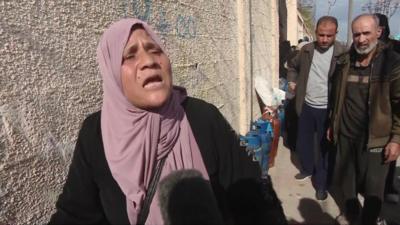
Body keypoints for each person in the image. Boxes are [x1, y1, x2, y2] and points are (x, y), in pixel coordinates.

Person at [48, 18, 263, 224]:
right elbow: (75, 215)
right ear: (112, 73)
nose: (149, 61)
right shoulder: (96, 135)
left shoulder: (203, 118)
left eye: (155, 50)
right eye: (130, 56)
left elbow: (254, 199)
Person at [328, 14, 400, 224]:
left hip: (377, 139)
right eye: (356, 34)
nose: (361, 39)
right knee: (346, 180)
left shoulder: (392, 64)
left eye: (366, 33)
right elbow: (336, 96)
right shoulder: (344, 62)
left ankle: (369, 220)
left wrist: (396, 139)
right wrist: (333, 123)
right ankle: (351, 212)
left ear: (378, 32)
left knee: (374, 187)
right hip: (345, 134)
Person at [287, 16, 346, 201]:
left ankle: (321, 184)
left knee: (323, 147)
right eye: (321, 35)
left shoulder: (343, 53)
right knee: (303, 141)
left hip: (328, 109)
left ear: (336, 34)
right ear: (315, 33)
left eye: (329, 36)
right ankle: (306, 168)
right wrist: (292, 81)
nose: (324, 39)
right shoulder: (306, 50)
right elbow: (292, 67)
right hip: (306, 105)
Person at [375, 12, 400, 204]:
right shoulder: (363, 48)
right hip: (372, 111)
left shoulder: (394, 48)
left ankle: (387, 188)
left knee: (390, 152)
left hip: (390, 109)